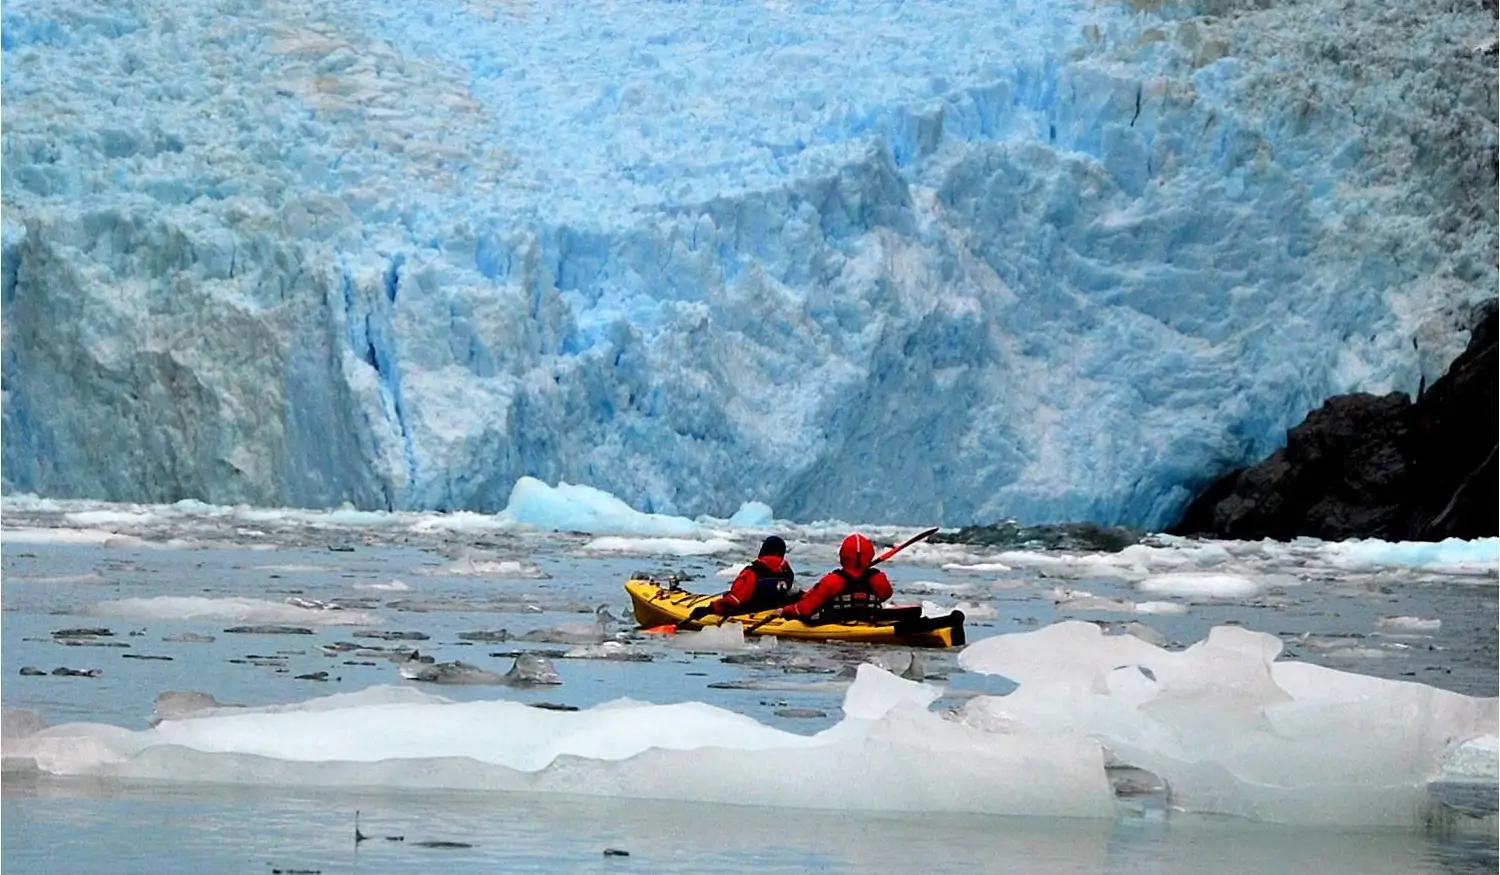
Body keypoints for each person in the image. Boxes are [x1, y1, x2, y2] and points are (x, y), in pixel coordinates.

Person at [778, 532, 892, 623]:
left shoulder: (833, 580)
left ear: (843, 556)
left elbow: (804, 609)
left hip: (837, 623)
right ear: (870, 555)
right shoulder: (878, 578)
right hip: (869, 621)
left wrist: (784, 611)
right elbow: (886, 594)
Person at [699, 535, 798, 618]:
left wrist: (711, 608)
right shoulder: (788, 573)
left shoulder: (752, 572)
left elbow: (735, 599)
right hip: (774, 610)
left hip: (749, 611)